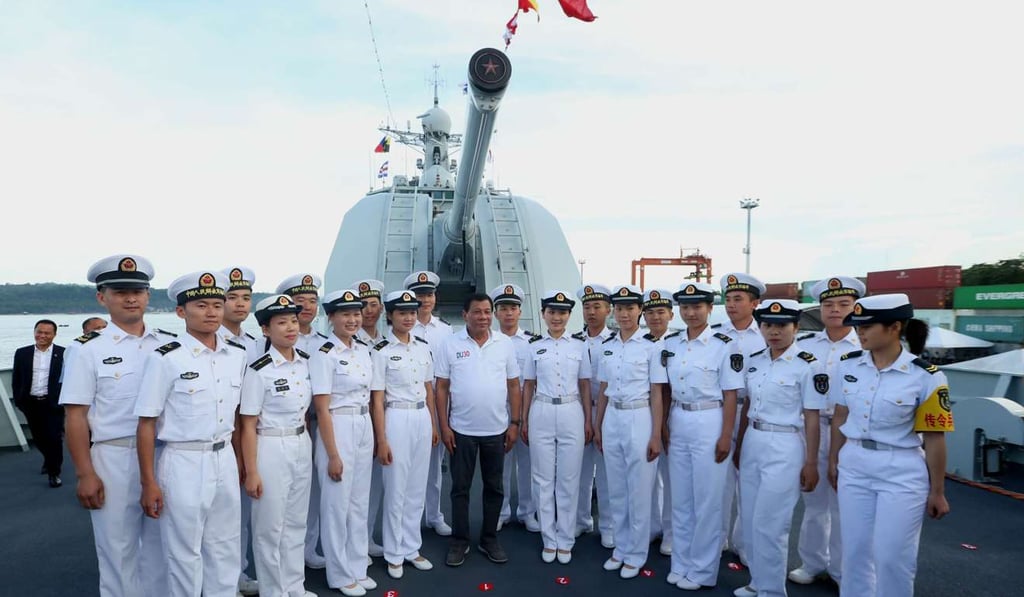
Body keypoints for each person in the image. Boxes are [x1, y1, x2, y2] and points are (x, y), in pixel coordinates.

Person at [60, 254, 171, 597]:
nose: (130, 298)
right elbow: (75, 415)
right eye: (120, 291)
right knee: (117, 549)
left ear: (148, 295)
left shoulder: (167, 345)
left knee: (161, 547)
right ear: (102, 297)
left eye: (138, 290)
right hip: (114, 456)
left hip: (163, 454)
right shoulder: (86, 350)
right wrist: (84, 473)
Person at [828, 294, 952, 597]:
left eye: (867, 326)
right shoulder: (848, 367)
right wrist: (833, 461)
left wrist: (937, 491)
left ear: (895, 327)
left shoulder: (926, 377)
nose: (860, 333)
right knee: (854, 552)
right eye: (858, 327)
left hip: (901, 470)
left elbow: (935, 438)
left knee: (892, 556)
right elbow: (840, 416)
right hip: (855, 463)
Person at [135, 270, 248, 597]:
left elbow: (237, 416)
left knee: (225, 545)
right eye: (201, 305)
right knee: (184, 551)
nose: (211, 312)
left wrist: (240, 461)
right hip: (183, 460)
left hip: (223, 457)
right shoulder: (166, 358)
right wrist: (148, 482)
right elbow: (146, 423)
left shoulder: (236, 356)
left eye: (217, 303)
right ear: (181, 311)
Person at [732, 299, 824, 597]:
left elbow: (811, 417)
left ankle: (772, 590)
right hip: (754, 442)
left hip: (785, 444)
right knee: (751, 518)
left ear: (795, 328)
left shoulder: (807, 365)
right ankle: (757, 581)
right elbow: (747, 406)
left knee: (772, 522)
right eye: (768, 325)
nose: (774, 331)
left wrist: (811, 462)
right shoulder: (756, 361)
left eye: (781, 325)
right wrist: (740, 444)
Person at [654, 282, 742, 591]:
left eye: (697, 307)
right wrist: (663, 424)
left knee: (707, 501)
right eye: (686, 307)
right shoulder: (673, 343)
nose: (691, 313)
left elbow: (731, 395)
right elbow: (664, 390)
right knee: (681, 498)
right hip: (680, 418)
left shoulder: (723, 344)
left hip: (710, 419)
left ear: (708, 308)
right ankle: (682, 563)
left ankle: (703, 570)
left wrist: (726, 435)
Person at [434, 292, 522, 567]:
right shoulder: (450, 344)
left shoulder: (504, 344)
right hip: (461, 430)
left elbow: (513, 385)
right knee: (460, 489)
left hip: (496, 430)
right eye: (477, 312)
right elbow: (442, 387)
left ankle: (489, 538)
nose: (483, 317)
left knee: (494, 488)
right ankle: (460, 541)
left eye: (487, 311)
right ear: (465, 315)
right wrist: (444, 426)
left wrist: (515, 423)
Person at [788, 276, 864, 587]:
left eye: (843, 304)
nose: (835, 310)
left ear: (855, 307)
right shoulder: (803, 345)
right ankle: (812, 562)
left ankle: (843, 570)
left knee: (845, 505)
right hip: (811, 428)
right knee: (814, 502)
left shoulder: (866, 345)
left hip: (848, 432)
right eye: (828, 305)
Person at [239, 294, 316, 597]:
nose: (290, 327)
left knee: (296, 522)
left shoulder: (305, 365)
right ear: (265, 330)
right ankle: (273, 591)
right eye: (281, 322)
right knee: (270, 528)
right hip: (270, 446)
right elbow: (247, 424)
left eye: (294, 321)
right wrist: (251, 471)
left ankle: (294, 586)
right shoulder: (259, 370)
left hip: (300, 442)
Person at [309, 289, 377, 597]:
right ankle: (338, 573)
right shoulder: (325, 353)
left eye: (356, 314)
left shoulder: (363, 349)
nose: (352, 320)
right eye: (345, 314)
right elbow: (321, 407)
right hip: (337, 424)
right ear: (332, 317)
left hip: (363, 424)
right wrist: (333, 454)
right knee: (336, 503)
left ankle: (357, 566)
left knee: (359, 501)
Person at [593, 284, 664, 579]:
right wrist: (598, 427)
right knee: (616, 489)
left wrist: (656, 434)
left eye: (630, 308)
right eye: (619, 308)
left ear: (640, 312)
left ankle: (636, 554)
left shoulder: (652, 347)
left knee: (639, 490)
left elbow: (658, 394)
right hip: (613, 418)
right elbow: (604, 390)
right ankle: (620, 549)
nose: (624, 314)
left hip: (639, 415)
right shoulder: (607, 345)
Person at [370, 290, 438, 579]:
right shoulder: (381, 351)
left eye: (412, 312)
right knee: (396, 488)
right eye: (402, 313)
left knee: (416, 487)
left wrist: (434, 424)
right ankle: (394, 552)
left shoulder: (423, 347)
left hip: (421, 416)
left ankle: (412, 547)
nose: (409, 317)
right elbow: (376, 399)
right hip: (396, 416)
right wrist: (381, 439)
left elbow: (430, 389)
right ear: (390, 315)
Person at [521, 290, 592, 564]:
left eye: (562, 312)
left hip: (571, 410)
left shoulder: (579, 345)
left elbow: (585, 384)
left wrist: (587, 419)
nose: (557, 317)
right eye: (552, 312)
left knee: (568, 478)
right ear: (543, 314)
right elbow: (529, 385)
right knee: (542, 479)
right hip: (541, 409)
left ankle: (566, 538)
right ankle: (548, 538)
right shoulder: (534, 346)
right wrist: (525, 419)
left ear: (569, 316)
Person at [276, 273, 328, 569]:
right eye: (300, 302)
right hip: (286, 427)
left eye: (312, 301)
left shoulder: (323, 343)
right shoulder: (269, 343)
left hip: (319, 424)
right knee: (283, 496)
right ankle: (283, 559)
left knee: (313, 491)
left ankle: (307, 549)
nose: (307, 307)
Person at [716, 272, 767, 563]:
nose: (732, 305)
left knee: (749, 484)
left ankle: (745, 544)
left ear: (755, 303)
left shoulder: (766, 335)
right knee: (719, 481)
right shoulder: (715, 334)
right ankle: (718, 537)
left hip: (754, 412)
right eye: (728, 299)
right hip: (720, 411)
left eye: (738, 299)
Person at [220, 265, 260, 596]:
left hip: (249, 435)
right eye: (231, 297)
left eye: (246, 297)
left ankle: (238, 575)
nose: (240, 304)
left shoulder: (256, 343)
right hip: (221, 439)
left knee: (242, 514)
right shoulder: (208, 341)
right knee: (216, 520)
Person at [404, 270, 454, 538]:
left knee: (434, 465)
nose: (425, 300)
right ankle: (405, 520)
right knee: (406, 467)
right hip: (408, 404)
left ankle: (434, 515)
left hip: (437, 402)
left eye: (429, 294)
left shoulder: (446, 331)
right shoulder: (402, 328)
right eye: (419, 295)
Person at [491, 283, 540, 532]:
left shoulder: (531, 342)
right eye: (503, 308)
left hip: (527, 409)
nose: (508, 313)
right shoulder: (490, 342)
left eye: (513, 308)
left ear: (520, 312)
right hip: (499, 410)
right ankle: (501, 511)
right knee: (501, 464)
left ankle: (527, 512)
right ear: (496, 313)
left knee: (527, 463)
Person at [573, 283, 615, 547]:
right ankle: (580, 520)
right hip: (578, 409)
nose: (591, 312)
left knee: (607, 474)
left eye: (597, 306)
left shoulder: (615, 341)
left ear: (608, 309)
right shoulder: (574, 341)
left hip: (608, 410)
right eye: (587, 306)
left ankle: (608, 525)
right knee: (580, 469)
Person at [354, 278, 387, 557]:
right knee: (352, 489)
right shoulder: (351, 343)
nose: (368, 310)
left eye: (374, 304)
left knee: (374, 484)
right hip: (358, 420)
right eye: (362, 305)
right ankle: (351, 545)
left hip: (382, 420)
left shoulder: (384, 342)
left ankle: (366, 538)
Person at [12, 319, 65, 487]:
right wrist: (19, 400)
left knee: (54, 438)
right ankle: (48, 459)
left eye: (47, 333)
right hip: (31, 403)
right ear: (34, 332)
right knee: (39, 438)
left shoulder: (64, 353)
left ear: (54, 335)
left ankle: (54, 472)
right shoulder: (22, 353)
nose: (42, 335)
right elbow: (17, 379)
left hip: (53, 404)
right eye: (39, 332)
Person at [642, 288, 674, 556]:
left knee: (671, 479)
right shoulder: (642, 343)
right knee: (649, 478)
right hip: (647, 417)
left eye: (660, 312)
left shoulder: (676, 343)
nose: (655, 317)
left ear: (670, 315)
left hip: (677, 418)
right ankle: (651, 526)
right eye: (650, 312)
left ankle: (671, 532)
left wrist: (665, 424)